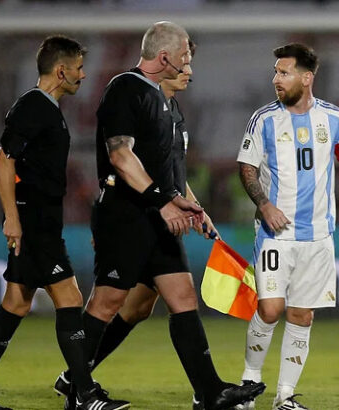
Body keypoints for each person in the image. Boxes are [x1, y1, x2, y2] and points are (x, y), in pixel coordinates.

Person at [58, 21, 265, 410]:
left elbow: (171, 172)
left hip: (159, 217)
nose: (190, 63)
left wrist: (192, 206)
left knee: (182, 295)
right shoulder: (125, 89)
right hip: (127, 214)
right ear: (165, 57)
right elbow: (121, 156)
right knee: (107, 302)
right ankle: (77, 388)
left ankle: (209, 392)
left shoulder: (169, 105)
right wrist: (163, 201)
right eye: (185, 55)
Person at [0, 35, 129, 410]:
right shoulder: (33, 107)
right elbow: (3, 161)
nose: (83, 75)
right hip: (32, 221)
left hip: (42, 220)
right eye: (79, 68)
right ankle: (85, 393)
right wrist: (13, 220)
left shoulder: (46, 108)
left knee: (16, 303)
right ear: (61, 69)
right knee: (70, 298)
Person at [235, 43, 339, 410]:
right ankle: (249, 384)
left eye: (284, 73)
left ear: (307, 77)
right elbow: (247, 167)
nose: (276, 79)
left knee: (302, 315)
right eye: (276, 72)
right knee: (269, 309)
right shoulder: (264, 119)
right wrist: (264, 204)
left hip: (318, 237)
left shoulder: (335, 119)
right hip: (275, 236)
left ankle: (284, 397)